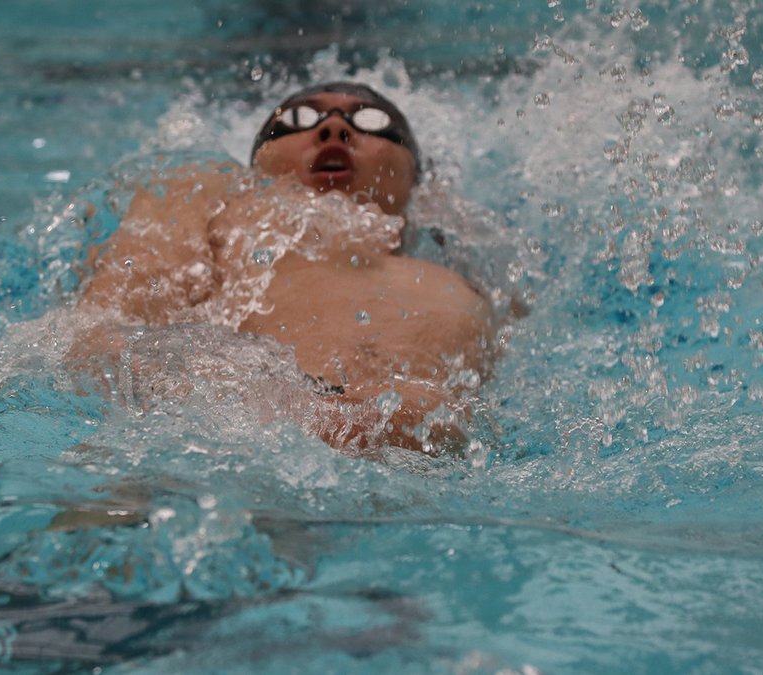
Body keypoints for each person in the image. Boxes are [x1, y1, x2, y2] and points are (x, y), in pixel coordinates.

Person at [68, 82, 507, 455]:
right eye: (298, 119)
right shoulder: (206, 198)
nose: (333, 128)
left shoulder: (481, 282)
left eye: (370, 121)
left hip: (411, 462)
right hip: (218, 440)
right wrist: (267, 411)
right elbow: (104, 334)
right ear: (257, 164)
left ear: (416, 178)